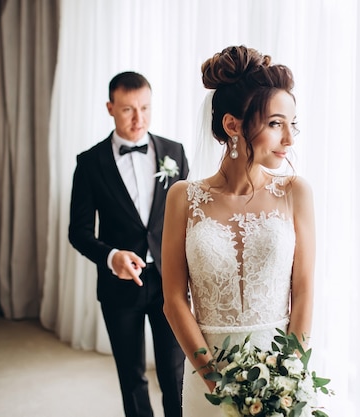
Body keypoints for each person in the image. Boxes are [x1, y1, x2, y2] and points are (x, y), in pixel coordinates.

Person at [161, 45, 316, 416]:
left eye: (291, 125)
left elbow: (305, 288)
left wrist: (289, 376)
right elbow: (174, 299)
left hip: (280, 376)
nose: (289, 140)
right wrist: (219, 386)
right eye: (276, 124)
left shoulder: (295, 192)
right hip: (209, 374)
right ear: (233, 125)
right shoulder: (183, 197)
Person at [68, 71, 189, 417]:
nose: (139, 119)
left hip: (170, 283)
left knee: (175, 374)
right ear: (110, 108)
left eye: (145, 108)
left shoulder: (174, 153)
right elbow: (78, 232)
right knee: (132, 377)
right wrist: (111, 257)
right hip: (119, 287)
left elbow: (188, 219)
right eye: (127, 110)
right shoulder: (89, 163)